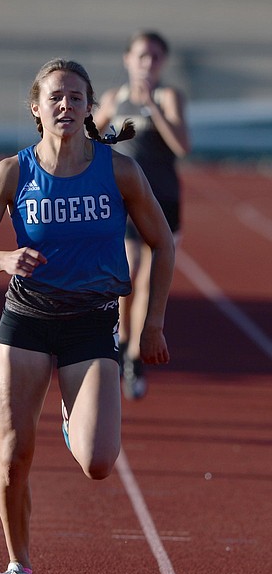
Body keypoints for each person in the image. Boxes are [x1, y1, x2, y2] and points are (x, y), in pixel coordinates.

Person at [0, 58, 175, 574]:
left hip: (91, 324)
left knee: (99, 464)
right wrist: (3, 259)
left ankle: (74, 419)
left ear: (90, 107)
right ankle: (17, 565)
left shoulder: (118, 170)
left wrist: (152, 324)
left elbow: (162, 243)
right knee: (13, 456)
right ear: (36, 108)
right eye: (55, 97)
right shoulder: (12, 173)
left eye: (76, 98)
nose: (65, 106)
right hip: (26, 321)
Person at [94, 31, 190, 400]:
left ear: (162, 63)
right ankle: (120, 340)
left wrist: (152, 108)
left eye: (154, 57)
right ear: (127, 59)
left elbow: (182, 145)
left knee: (151, 278)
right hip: (126, 201)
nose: (147, 63)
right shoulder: (114, 98)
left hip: (163, 201)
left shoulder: (169, 97)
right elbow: (93, 134)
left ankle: (134, 357)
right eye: (141, 56)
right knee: (128, 272)